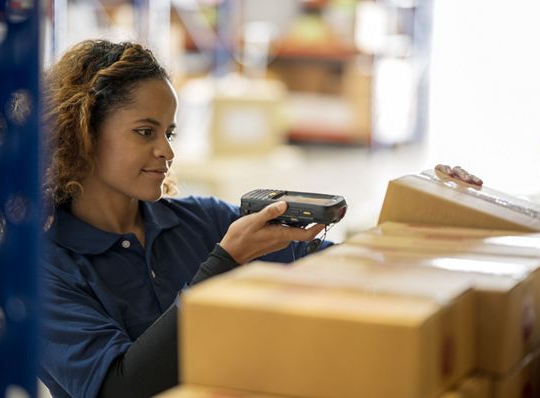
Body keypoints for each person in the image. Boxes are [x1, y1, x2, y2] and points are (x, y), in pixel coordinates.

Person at [39, 40, 331, 398]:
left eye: (169, 132)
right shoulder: (45, 269)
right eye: (145, 132)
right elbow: (120, 389)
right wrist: (224, 263)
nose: (167, 151)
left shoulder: (201, 220)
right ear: (82, 133)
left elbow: (329, 264)